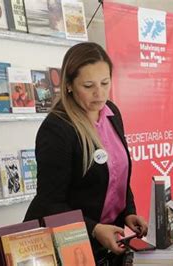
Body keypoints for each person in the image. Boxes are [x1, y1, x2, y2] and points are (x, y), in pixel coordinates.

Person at [24, 42, 148, 264]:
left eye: (105, 82)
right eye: (88, 85)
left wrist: (129, 210)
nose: (99, 94)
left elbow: (118, 173)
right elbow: (50, 203)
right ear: (69, 85)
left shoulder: (111, 112)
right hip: (68, 243)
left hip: (107, 243)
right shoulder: (57, 129)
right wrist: (94, 229)